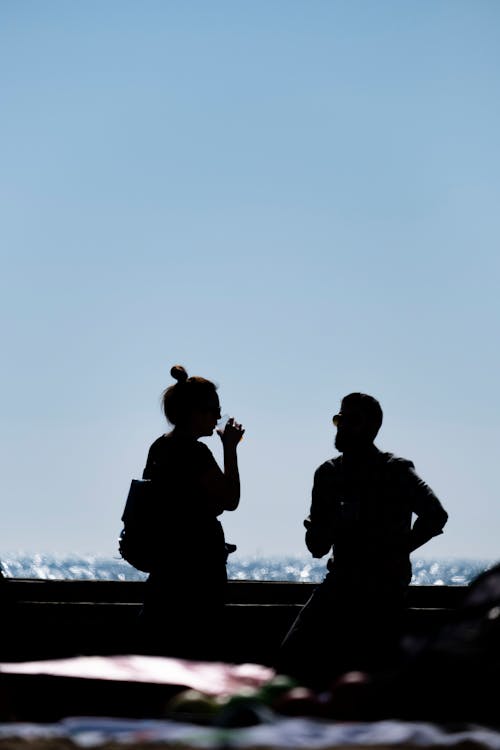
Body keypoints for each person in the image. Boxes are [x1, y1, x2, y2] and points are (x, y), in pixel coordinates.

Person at [278, 392, 448, 686]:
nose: (342, 427)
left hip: (382, 593)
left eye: (351, 421)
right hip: (340, 585)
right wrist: (327, 526)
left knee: (373, 677)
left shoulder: (396, 470)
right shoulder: (328, 474)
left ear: (372, 427)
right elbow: (316, 548)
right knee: (288, 661)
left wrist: (395, 550)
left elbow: (436, 515)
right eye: (339, 419)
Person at [139, 364, 244, 659]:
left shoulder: (159, 447)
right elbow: (230, 499)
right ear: (194, 412)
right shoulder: (195, 453)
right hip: (196, 572)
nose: (218, 417)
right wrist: (230, 449)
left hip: (165, 565)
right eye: (213, 410)